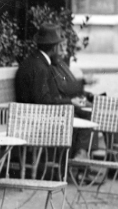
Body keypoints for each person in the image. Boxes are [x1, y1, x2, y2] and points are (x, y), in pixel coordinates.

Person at [15, 24, 91, 158]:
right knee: (75, 120)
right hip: (34, 119)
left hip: (29, 115)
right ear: (54, 47)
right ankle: (68, 167)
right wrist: (70, 102)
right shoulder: (41, 67)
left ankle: (75, 163)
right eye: (59, 45)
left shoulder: (36, 61)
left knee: (81, 114)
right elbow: (44, 101)